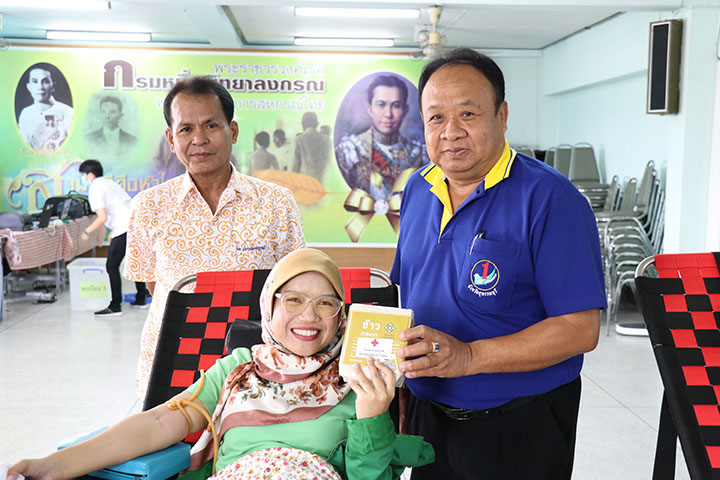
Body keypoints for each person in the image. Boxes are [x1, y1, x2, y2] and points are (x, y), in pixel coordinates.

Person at [7, 249, 434, 480]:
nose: (309, 316)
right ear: (268, 308)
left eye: (326, 303)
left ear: (342, 317)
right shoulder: (237, 370)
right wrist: (53, 466)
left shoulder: (359, 378)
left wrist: (372, 415)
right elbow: (158, 422)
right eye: (293, 300)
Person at [390, 48, 606, 480]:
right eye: (436, 118)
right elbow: (412, 294)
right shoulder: (417, 189)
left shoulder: (550, 199)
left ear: (502, 115)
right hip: (429, 420)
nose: (451, 132)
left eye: (468, 114)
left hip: (519, 424)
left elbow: (580, 328)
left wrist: (469, 356)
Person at [124, 76, 305, 401]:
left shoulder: (276, 202)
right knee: (173, 434)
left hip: (256, 361)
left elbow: (295, 284)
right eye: (186, 129)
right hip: (173, 358)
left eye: (211, 126)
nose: (199, 139)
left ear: (232, 131)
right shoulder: (148, 207)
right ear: (171, 139)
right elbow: (154, 285)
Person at [335, 75, 427, 202]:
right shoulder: (349, 152)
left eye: (396, 105)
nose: (388, 114)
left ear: (405, 110)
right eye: (381, 105)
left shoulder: (419, 155)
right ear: (369, 109)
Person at [79, 159, 149, 316]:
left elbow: (102, 217)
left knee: (112, 266)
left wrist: (87, 231)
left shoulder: (95, 187)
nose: (83, 178)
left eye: (83, 174)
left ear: (90, 175)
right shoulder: (109, 183)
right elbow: (121, 206)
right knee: (135, 261)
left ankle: (115, 306)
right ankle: (141, 299)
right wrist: (113, 232)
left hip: (124, 227)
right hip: (134, 224)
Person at [17, 67, 73, 152]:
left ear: (53, 86)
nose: (40, 87)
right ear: (29, 87)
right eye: (35, 81)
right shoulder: (25, 113)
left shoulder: (68, 112)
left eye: (45, 82)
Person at [293, 112, 332, 182]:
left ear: (302, 123)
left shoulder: (298, 140)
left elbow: (293, 168)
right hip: (324, 184)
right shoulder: (328, 140)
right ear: (317, 124)